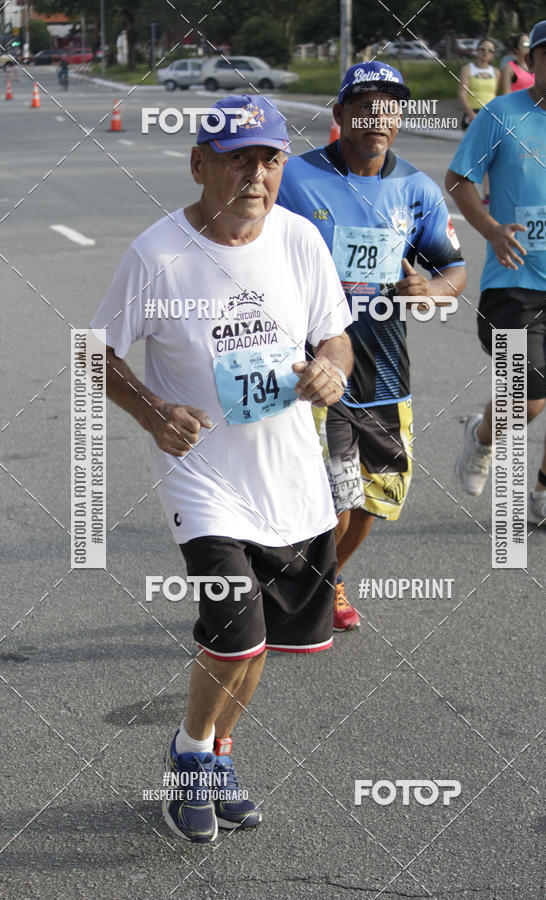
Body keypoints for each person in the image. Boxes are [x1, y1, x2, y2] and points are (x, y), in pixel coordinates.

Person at [91, 95, 352, 842]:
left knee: (261, 641)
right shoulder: (157, 253)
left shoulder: (300, 240)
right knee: (234, 629)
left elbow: (334, 340)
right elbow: (95, 353)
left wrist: (331, 372)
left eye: (269, 158)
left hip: (290, 477)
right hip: (201, 478)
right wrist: (153, 412)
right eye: (239, 157)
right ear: (200, 162)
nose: (256, 173)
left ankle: (213, 752)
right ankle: (190, 758)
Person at [277, 62, 466, 630]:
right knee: (330, 495)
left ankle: (326, 578)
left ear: (400, 118)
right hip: (317, 368)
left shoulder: (416, 189)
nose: (376, 117)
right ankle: (299, 589)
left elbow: (454, 268)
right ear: (339, 116)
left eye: (388, 106)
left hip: (387, 373)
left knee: (372, 499)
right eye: (363, 105)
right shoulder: (295, 179)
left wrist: (428, 289)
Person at [447, 19, 546, 532]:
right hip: (513, 280)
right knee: (527, 398)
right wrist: (491, 229)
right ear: (528, 62)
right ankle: (482, 435)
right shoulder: (499, 114)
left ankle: (545, 494)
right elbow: (459, 179)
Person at [458, 38, 500, 205]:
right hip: (473, 115)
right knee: (473, 157)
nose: (485, 53)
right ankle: (467, 193)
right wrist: (470, 113)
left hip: (490, 115)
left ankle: (487, 194)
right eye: (482, 49)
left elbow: (498, 95)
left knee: (490, 157)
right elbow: (462, 93)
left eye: (489, 50)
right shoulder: (468, 69)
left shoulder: (496, 72)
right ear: (477, 50)